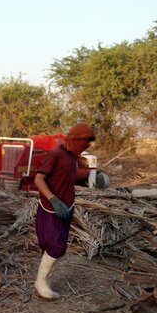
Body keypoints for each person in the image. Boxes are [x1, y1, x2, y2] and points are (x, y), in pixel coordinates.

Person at [33, 122, 96, 299]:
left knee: (58, 246)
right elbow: (39, 179)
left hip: (66, 208)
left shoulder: (73, 158)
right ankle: (40, 282)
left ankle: (46, 281)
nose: (88, 145)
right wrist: (53, 199)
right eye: (86, 141)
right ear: (76, 140)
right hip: (51, 208)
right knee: (55, 246)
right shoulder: (55, 155)